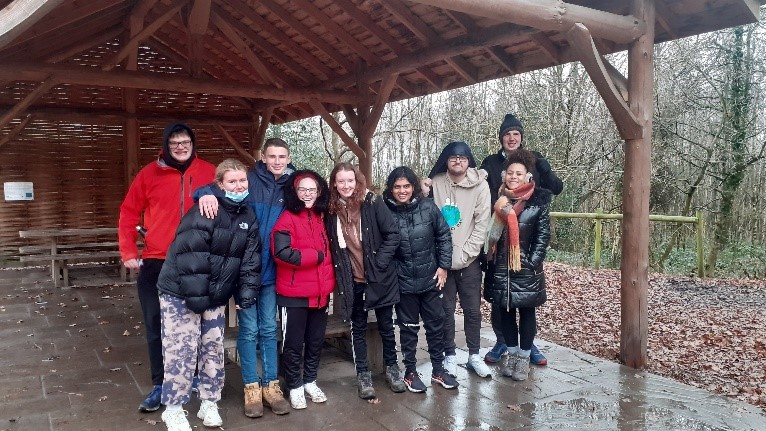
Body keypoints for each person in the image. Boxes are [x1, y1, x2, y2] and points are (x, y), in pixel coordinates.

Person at [156, 159, 262, 431]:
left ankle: (209, 401)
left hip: (214, 294)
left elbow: (250, 260)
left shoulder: (248, 216)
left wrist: (245, 296)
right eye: (232, 181)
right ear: (219, 184)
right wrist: (197, 300)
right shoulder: (206, 208)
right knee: (181, 351)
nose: (238, 186)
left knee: (212, 348)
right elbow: (190, 257)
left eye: (242, 181)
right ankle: (174, 408)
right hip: (181, 293)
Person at [118, 122, 216, 413]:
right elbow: (128, 212)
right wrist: (127, 250)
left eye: (185, 142)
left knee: (196, 323)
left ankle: (195, 377)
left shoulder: (210, 173)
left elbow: (232, 205)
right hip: (157, 261)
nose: (181, 147)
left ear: (193, 144)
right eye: (174, 143)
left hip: (198, 261)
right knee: (155, 325)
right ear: (166, 145)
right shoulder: (149, 174)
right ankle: (161, 383)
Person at [196, 138, 293, 417]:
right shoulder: (249, 181)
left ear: (288, 158)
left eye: (282, 156)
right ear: (263, 157)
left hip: (273, 270)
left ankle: (270, 385)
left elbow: (317, 193)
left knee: (269, 329)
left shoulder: (292, 184)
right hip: (246, 272)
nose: (277, 161)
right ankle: (251, 385)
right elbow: (213, 187)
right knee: (249, 330)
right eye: (272, 156)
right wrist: (203, 194)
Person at [480, 113, 562, 366]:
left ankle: (527, 347)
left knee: (526, 302)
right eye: (507, 134)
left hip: (525, 239)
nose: (512, 138)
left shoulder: (534, 160)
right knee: (500, 299)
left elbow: (555, 189)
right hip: (498, 236)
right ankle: (502, 341)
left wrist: (545, 169)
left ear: (521, 137)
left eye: (516, 133)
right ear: (501, 138)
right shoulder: (491, 163)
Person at [326, 162, 405, 399]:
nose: (346, 186)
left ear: (357, 181)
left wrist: (379, 262)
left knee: (386, 326)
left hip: (379, 276)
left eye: (350, 181)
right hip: (352, 279)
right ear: (334, 184)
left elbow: (393, 234)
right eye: (341, 181)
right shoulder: (331, 208)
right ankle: (363, 374)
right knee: (357, 327)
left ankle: (392, 368)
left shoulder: (371, 202)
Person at [383, 166, 459, 393]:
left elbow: (444, 236)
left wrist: (444, 266)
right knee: (408, 328)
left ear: (414, 187)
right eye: (397, 187)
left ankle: (438, 369)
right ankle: (410, 372)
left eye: (406, 186)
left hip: (430, 279)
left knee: (436, 325)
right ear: (391, 188)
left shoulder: (427, 207)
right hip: (403, 281)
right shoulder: (385, 210)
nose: (402, 191)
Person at [425, 141, 492, 379]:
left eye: (462, 158)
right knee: (445, 310)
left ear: (468, 160)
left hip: (469, 259)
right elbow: (427, 217)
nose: (458, 161)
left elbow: (482, 224)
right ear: (446, 160)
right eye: (453, 157)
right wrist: (443, 258)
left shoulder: (480, 185)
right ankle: (449, 355)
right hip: (441, 261)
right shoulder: (436, 183)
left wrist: (465, 254)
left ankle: (474, 354)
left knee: (472, 310)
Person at [483, 149, 551, 381]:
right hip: (501, 267)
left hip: (525, 268)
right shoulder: (499, 201)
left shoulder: (537, 202)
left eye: (519, 173)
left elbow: (542, 237)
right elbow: (491, 236)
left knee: (527, 312)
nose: (514, 177)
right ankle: (511, 353)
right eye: (510, 172)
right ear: (504, 175)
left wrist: (531, 262)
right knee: (505, 312)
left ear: (527, 176)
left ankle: (523, 358)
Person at [271, 170, 335, 410]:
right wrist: (314, 256)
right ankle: (295, 385)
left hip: (320, 294)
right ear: (295, 192)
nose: (308, 194)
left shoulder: (321, 217)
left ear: (319, 192)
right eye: (303, 189)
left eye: (312, 189)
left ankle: (310, 380)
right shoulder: (287, 218)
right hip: (294, 295)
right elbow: (281, 253)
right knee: (293, 344)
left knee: (315, 341)